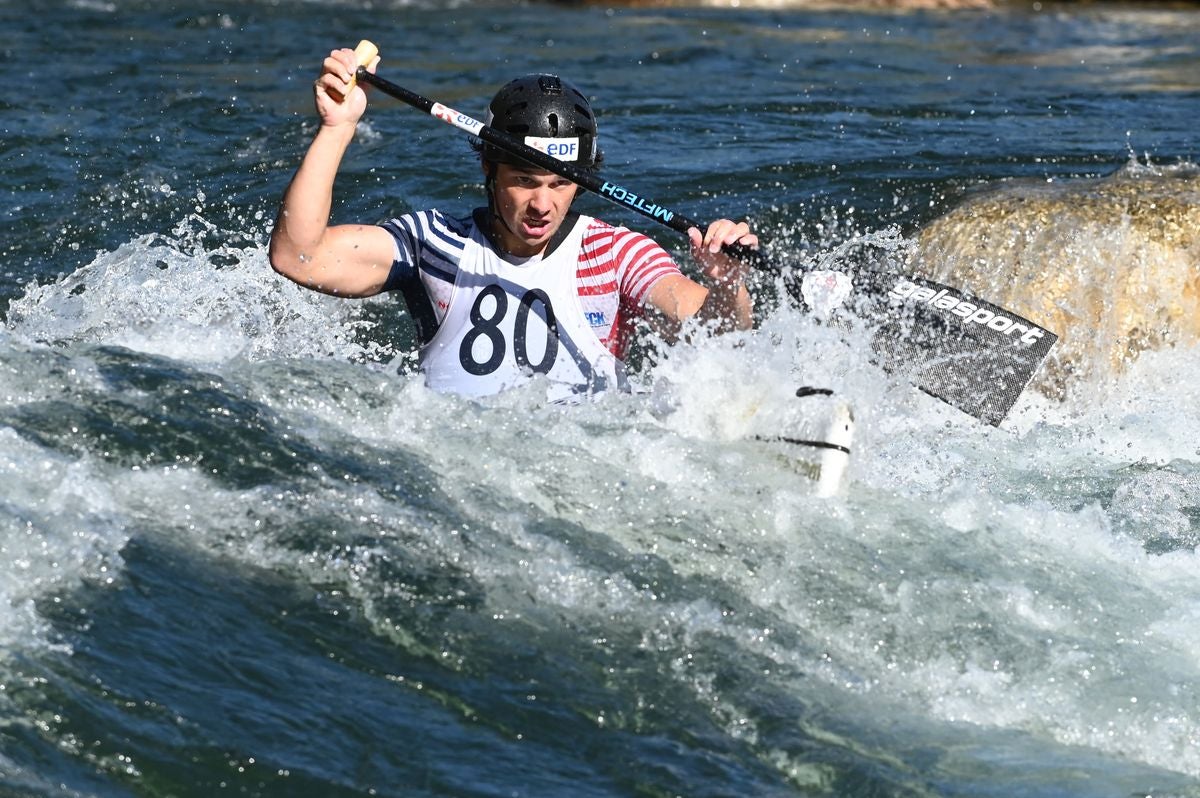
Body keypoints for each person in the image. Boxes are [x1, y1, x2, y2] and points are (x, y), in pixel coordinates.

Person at [270, 46, 758, 401]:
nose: (542, 204)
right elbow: (299, 255)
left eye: (559, 185)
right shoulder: (435, 242)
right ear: (489, 169)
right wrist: (338, 128)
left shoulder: (616, 252)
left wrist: (727, 283)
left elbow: (714, 333)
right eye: (524, 181)